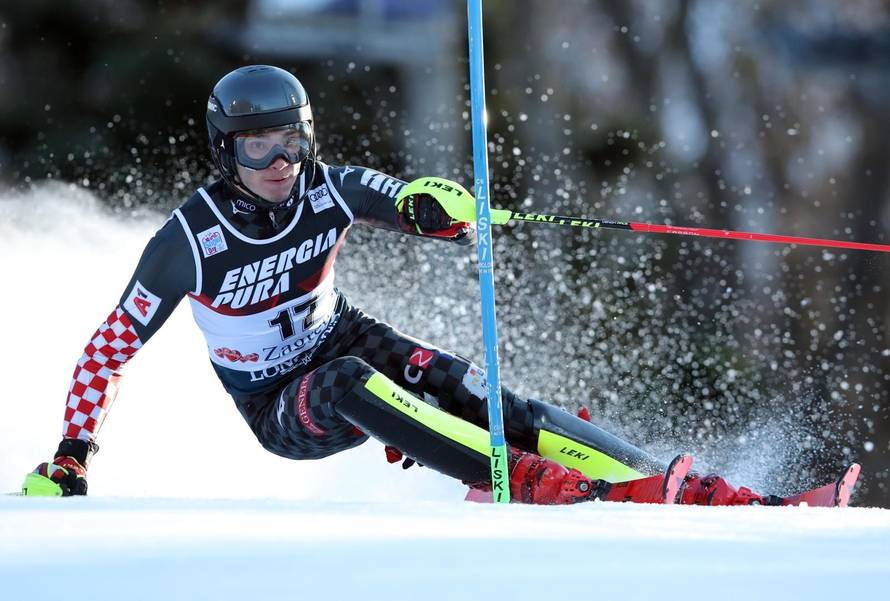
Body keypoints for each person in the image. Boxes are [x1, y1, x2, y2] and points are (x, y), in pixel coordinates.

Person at [24, 65, 766, 506]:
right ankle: (525, 480)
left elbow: (403, 200)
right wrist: (72, 452)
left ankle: (663, 480)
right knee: (348, 380)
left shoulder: (328, 187)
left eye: (294, 138)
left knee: (479, 388)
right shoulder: (189, 241)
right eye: (260, 144)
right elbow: (108, 348)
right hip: (278, 401)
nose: (282, 160)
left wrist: (438, 214)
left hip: (344, 331)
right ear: (227, 149)